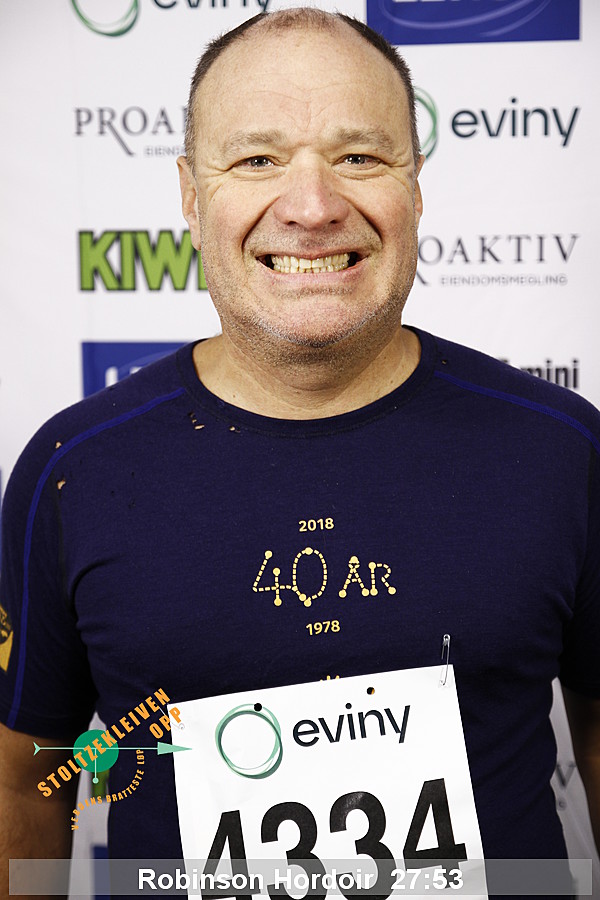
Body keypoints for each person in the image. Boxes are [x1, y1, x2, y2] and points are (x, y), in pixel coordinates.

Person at [0, 7, 599, 895]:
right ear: (191, 196)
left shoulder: (562, 449)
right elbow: (26, 781)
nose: (313, 207)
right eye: (257, 160)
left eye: (359, 157)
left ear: (417, 187)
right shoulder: (72, 471)